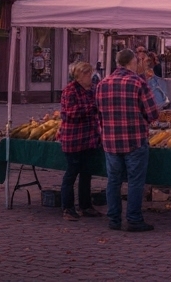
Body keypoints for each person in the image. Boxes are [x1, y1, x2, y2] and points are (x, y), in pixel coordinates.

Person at [96, 49, 159, 231]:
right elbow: (153, 113)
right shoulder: (138, 82)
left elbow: (99, 113)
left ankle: (114, 219)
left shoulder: (102, 84)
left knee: (113, 181)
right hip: (134, 139)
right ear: (132, 62)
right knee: (135, 181)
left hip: (110, 140)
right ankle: (134, 219)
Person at [59, 61, 101, 221]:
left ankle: (85, 206)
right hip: (74, 139)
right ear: (79, 75)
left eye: (90, 74)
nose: (90, 77)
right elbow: (70, 113)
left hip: (89, 138)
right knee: (71, 173)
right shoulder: (70, 90)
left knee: (86, 173)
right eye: (87, 74)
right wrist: (91, 108)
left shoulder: (92, 90)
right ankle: (68, 208)